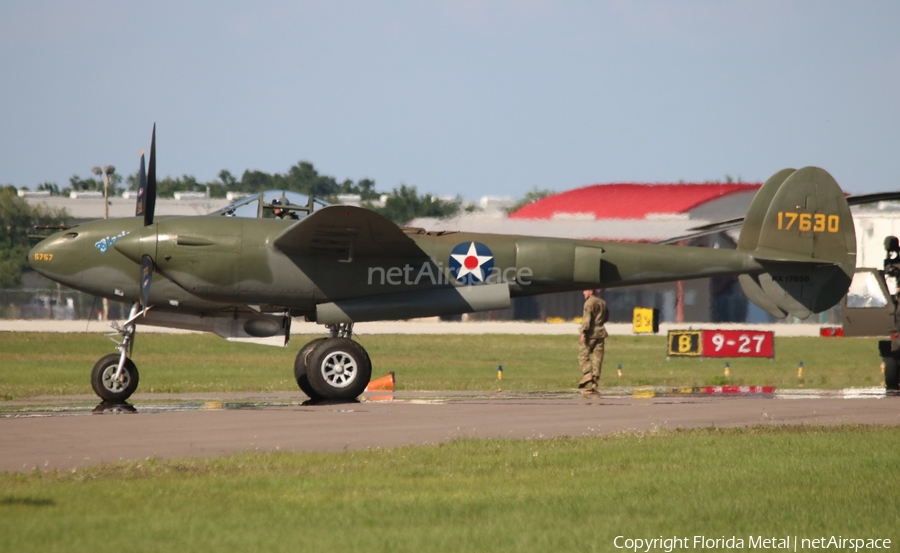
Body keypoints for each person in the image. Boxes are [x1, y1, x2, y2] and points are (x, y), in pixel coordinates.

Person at [578, 288, 608, 396]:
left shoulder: (589, 303)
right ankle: (595, 380)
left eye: (585, 291)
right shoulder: (602, 302)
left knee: (583, 355)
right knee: (597, 357)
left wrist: (584, 333)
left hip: (591, 333)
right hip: (601, 333)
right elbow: (606, 317)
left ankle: (587, 374)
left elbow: (587, 319)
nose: (583, 292)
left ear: (591, 291)